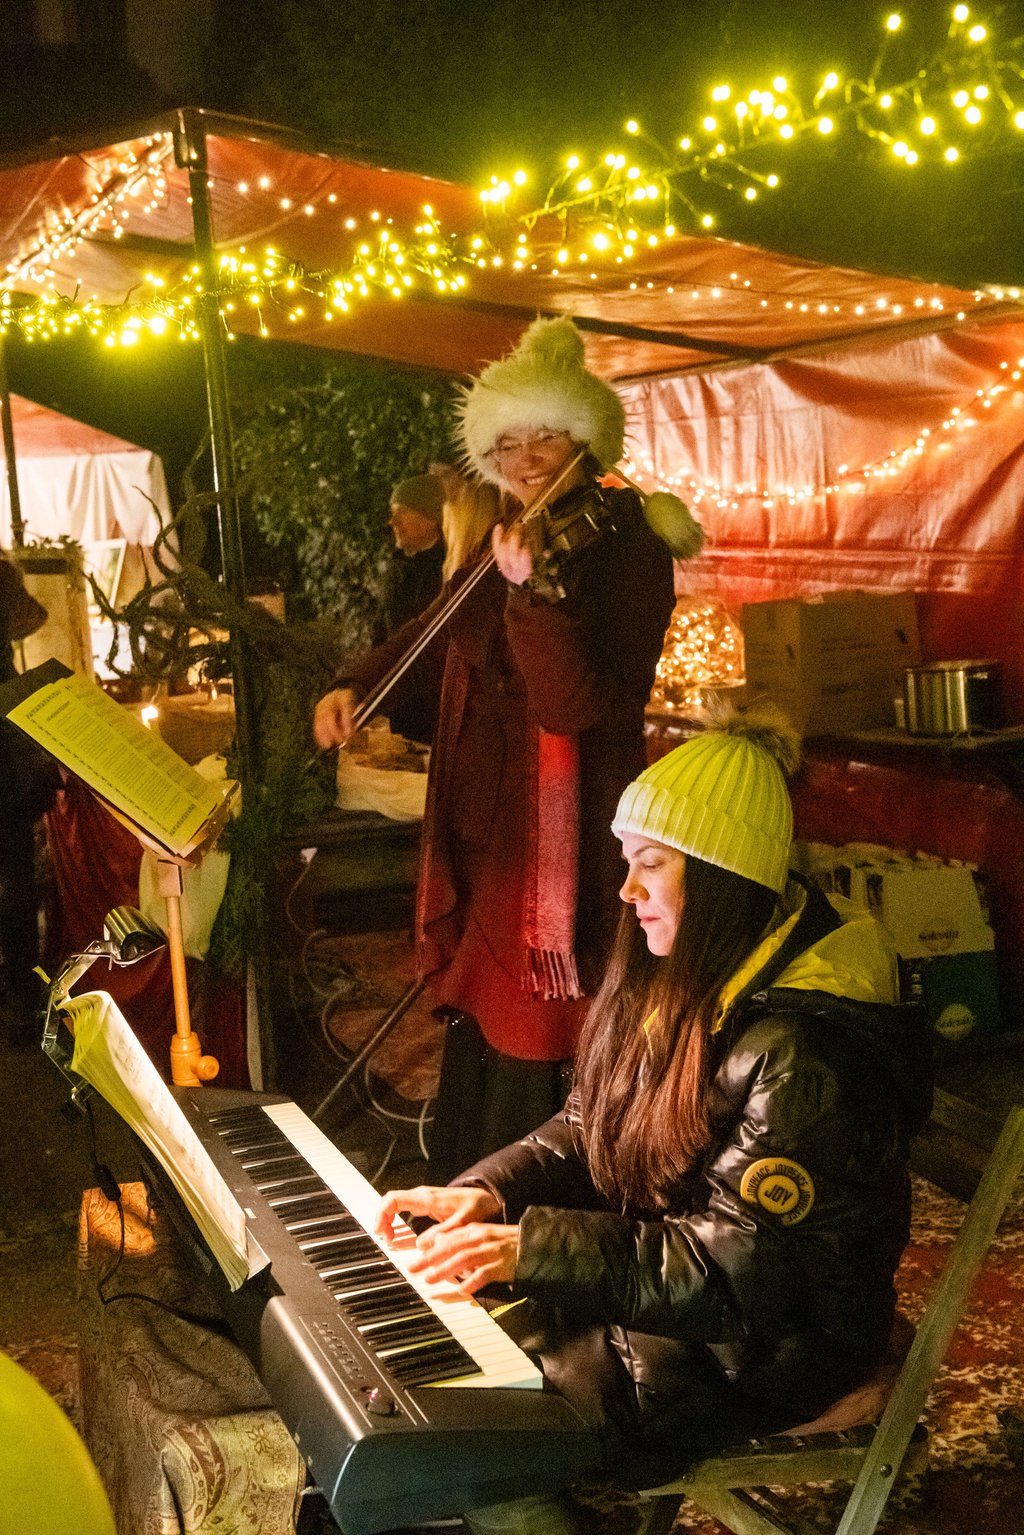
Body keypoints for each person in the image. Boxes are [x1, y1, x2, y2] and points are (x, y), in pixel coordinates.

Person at [375, 712, 932, 1530]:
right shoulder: (698, 970)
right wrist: (491, 1197)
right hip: (690, 1297)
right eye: (627, 864)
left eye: (650, 866)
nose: (628, 890)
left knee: (471, 1423)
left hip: (775, 1341)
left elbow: (735, 1276)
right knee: (436, 1353)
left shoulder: (807, 1055)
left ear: (716, 877)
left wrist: (531, 1248)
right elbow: (588, 1120)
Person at [314, 316, 683, 1174]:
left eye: (544, 435)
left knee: (541, 1013)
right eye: (507, 441)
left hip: (568, 820)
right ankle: (464, 1174)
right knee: (482, 1009)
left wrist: (536, 598)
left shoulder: (631, 543)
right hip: (487, 819)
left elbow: (579, 703)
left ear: (584, 437)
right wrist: (357, 683)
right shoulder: (507, 532)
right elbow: (437, 631)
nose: (525, 458)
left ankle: (531, 1200)